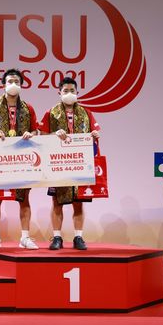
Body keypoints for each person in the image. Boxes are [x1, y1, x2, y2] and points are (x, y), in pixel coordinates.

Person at [38, 77, 100, 250]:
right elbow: (41, 137)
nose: (69, 94)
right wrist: (53, 135)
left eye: (72, 91)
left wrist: (94, 135)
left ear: (77, 93)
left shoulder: (87, 113)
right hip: (57, 165)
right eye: (65, 91)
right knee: (57, 202)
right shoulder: (51, 113)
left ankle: (78, 237)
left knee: (78, 202)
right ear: (59, 93)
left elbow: (94, 134)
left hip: (80, 164)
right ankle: (57, 237)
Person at [0, 68, 39, 249]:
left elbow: (36, 130)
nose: (13, 85)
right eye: (10, 81)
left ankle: (25, 238)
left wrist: (31, 133)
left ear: (21, 85)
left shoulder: (28, 108)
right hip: (1, 160)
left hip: (22, 159)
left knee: (24, 198)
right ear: (3, 84)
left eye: (17, 82)